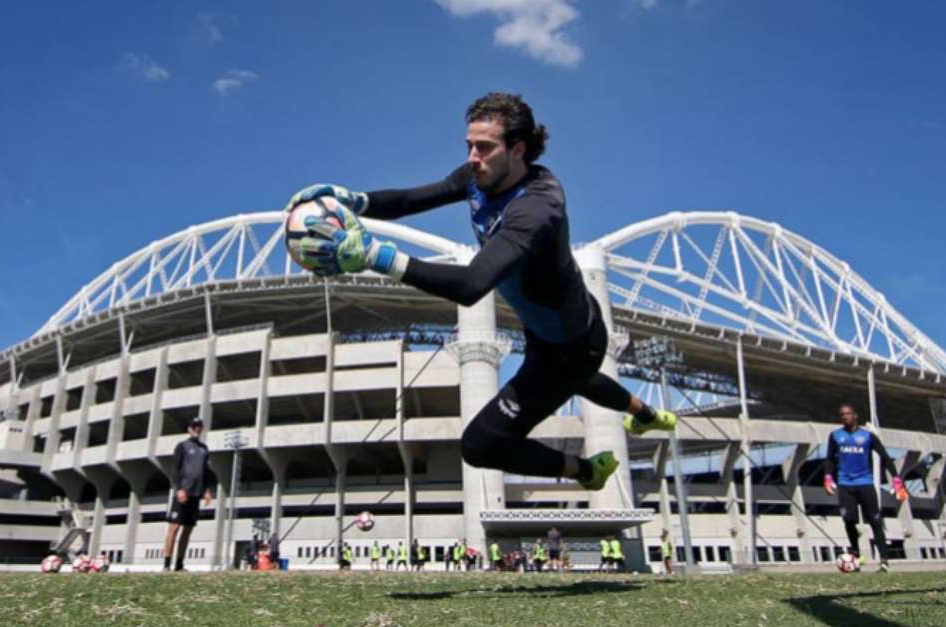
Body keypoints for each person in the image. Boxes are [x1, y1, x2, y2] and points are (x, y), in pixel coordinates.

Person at [288, 92, 677, 494]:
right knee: (573, 379)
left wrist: (375, 257)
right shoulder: (480, 176)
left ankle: (585, 471)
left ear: (518, 149)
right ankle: (646, 413)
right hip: (550, 332)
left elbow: (472, 285)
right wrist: (355, 200)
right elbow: (411, 199)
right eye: (469, 145)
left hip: (573, 343)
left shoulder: (537, 208)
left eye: (485, 147)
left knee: (480, 445)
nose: (473, 156)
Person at [824, 403, 906, 573]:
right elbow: (829, 458)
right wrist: (827, 476)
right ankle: (855, 555)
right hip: (845, 484)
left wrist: (897, 480)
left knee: (875, 521)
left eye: (848, 414)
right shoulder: (835, 436)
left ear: (855, 415)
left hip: (865, 483)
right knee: (848, 520)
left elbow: (885, 457)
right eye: (842, 415)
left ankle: (883, 560)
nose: (845, 417)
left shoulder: (868, 436)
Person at [163, 418, 216, 572]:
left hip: (196, 494)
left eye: (199, 427)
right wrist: (179, 488)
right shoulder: (182, 446)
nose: (197, 429)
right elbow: (175, 469)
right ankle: (167, 563)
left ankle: (179, 564)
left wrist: (206, 491)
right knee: (174, 528)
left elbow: (205, 472)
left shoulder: (204, 448)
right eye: (194, 427)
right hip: (183, 493)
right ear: (189, 429)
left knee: (188, 530)